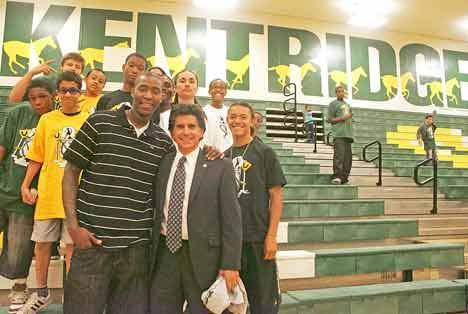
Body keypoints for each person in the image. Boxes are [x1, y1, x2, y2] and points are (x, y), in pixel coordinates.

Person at [150, 104, 242, 314]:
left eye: (192, 126)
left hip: (203, 257)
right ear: (171, 131)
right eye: (179, 126)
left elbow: (232, 220)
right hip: (165, 253)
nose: (186, 132)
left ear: (202, 131)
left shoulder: (221, 166)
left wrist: (230, 264)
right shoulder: (162, 163)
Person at [18, 72, 88, 314]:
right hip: (47, 196)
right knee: (42, 245)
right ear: (58, 93)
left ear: (80, 93)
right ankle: (42, 294)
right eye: (64, 90)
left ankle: (72, 299)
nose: (68, 94)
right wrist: (26, 184)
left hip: (75, 199)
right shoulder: (47, 120)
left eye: (73, 90)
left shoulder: (89, 121)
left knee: (71, 250)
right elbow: (36, 157)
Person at [226, 102, 286, 314]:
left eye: (243, 117)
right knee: (230, 305)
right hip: (231, 245)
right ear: (227, 120)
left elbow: (277, 196)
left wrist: (271, 236)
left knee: (263, 305)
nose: (237, 121)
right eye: (233, 116)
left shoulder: (265, 152)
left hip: (258, 240)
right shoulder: (224, 156)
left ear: (252, 121)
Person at [0, 78, 54, 314]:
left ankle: (19, 287)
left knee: (18, 247)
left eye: (43, 96)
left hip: (28, 197)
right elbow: (3, 147)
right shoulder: (19, 113)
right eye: (33, 98)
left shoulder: (56, 120)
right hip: (6, 185)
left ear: (53, 95)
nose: (38, 102)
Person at [8, 53, 85, 104]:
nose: (73, 68)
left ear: (81, 72)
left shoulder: (81, 92)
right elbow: (14, 99)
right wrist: (31, 73)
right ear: (62, 67)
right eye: (70, 64)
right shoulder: (45, 81)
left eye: (77, 67)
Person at [327, 85, 353, 185]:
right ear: (336, 93)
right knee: (339, 156)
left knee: (348, 159)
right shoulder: (333, 104)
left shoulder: (347, 105)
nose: (341, 93)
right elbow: (329, 119)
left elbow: (349, 118)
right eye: (338, 91)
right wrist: (343, 118)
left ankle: (344, 177)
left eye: (342, 91)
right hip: (339, 134)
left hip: (348, 135)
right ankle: (337, 176)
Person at [160, 69, 200, 133]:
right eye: (182, 81)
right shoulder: (164, 117)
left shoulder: (208, 118)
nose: (187, 84)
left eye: (191, 81)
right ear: (175, 87)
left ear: (197, 88)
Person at [203, 79, 233, 152]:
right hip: (210, 155)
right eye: (215, 87)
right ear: (209, 91)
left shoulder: (231, 112)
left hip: (230, 155)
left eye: (222, 88)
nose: (218, 90)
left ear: (225, 92)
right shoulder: (202, 112)